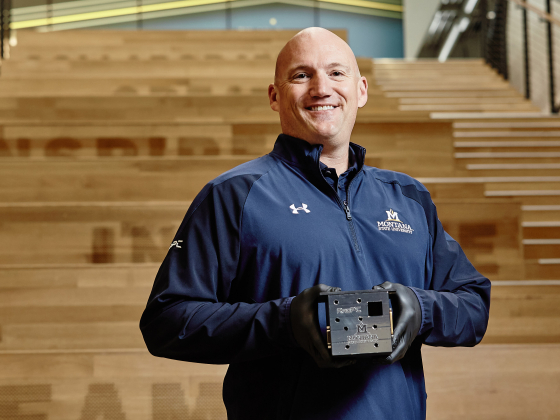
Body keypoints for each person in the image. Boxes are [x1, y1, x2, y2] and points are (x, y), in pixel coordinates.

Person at [140, 27, 490, 420]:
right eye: (301, 75)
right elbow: (167, 321)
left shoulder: (408, 197)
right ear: (275, 96)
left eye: (336, 73)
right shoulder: (234, 195)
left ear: (361, 90)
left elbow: (474, 305)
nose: (321, 88)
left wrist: (421, 309)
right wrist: (284, 321)